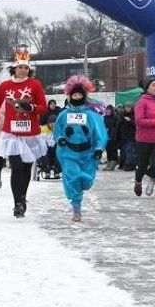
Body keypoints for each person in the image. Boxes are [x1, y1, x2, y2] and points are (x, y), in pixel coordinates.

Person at [0, 46, 48, 218]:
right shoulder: (5, 86)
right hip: (12, 133)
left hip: (30, 134)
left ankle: (23, 197)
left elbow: (43, 108)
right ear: (14, 68)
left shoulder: (35, 85)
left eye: (26, 67)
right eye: (20, 67)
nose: (23, 70)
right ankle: (17, 204)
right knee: (16, 167)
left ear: (29, 70)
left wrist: (31, 107)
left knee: (26, 168)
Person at [54, 75, 107, 222]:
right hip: (69, 153)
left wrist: (98, 148)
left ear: (84, 96)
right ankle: (76, 206)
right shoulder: (64, 114)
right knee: (74, 178)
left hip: (87, 153)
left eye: (79, 94)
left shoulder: (91, 115)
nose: (77, 97)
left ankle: (79, 193)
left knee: (87, 181)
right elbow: (57, 131)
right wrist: (60, 139)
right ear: (70, 96)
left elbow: (100, 133)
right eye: (74, 94)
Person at [134, 76, 155, 209]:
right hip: (144, 140)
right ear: (147, 88)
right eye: (154, 85)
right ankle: (138, 181)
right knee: (142, 167)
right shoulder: (142, 102)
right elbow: (139, 121)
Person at [117, 103, 137, 171]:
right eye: (126, 107)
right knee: (125, 151)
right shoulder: (123, 115)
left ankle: (130, 165)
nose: (127, 108)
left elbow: (136, 125)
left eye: (128, 107)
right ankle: (127, 164)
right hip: (124, 136)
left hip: (131, 136)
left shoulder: (134, 114)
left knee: (129, 151)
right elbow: (119, 125)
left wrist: (130, 121)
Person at [103, 105, 119, 171]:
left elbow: (117, 127)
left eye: (109, 110)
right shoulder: (105, 117)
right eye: (107, 110)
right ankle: (109, 163)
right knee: (108, 150)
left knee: (113, 150)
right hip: (106, 136)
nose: (108, 111)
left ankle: (113, 163)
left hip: (113, 136)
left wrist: (111, 130)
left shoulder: (115, 117)